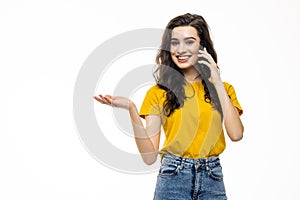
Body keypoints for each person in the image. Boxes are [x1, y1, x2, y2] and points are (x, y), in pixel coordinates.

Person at [94, 13, 244, 200]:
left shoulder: (224, 89)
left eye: (189, 42)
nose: (181, 50)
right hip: (173, 178)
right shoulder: (158, 93)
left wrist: (217, 82)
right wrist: (132, 109)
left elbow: (236, 134)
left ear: (202, 45)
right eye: (174, 43)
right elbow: (149, 157)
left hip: (212, 178)